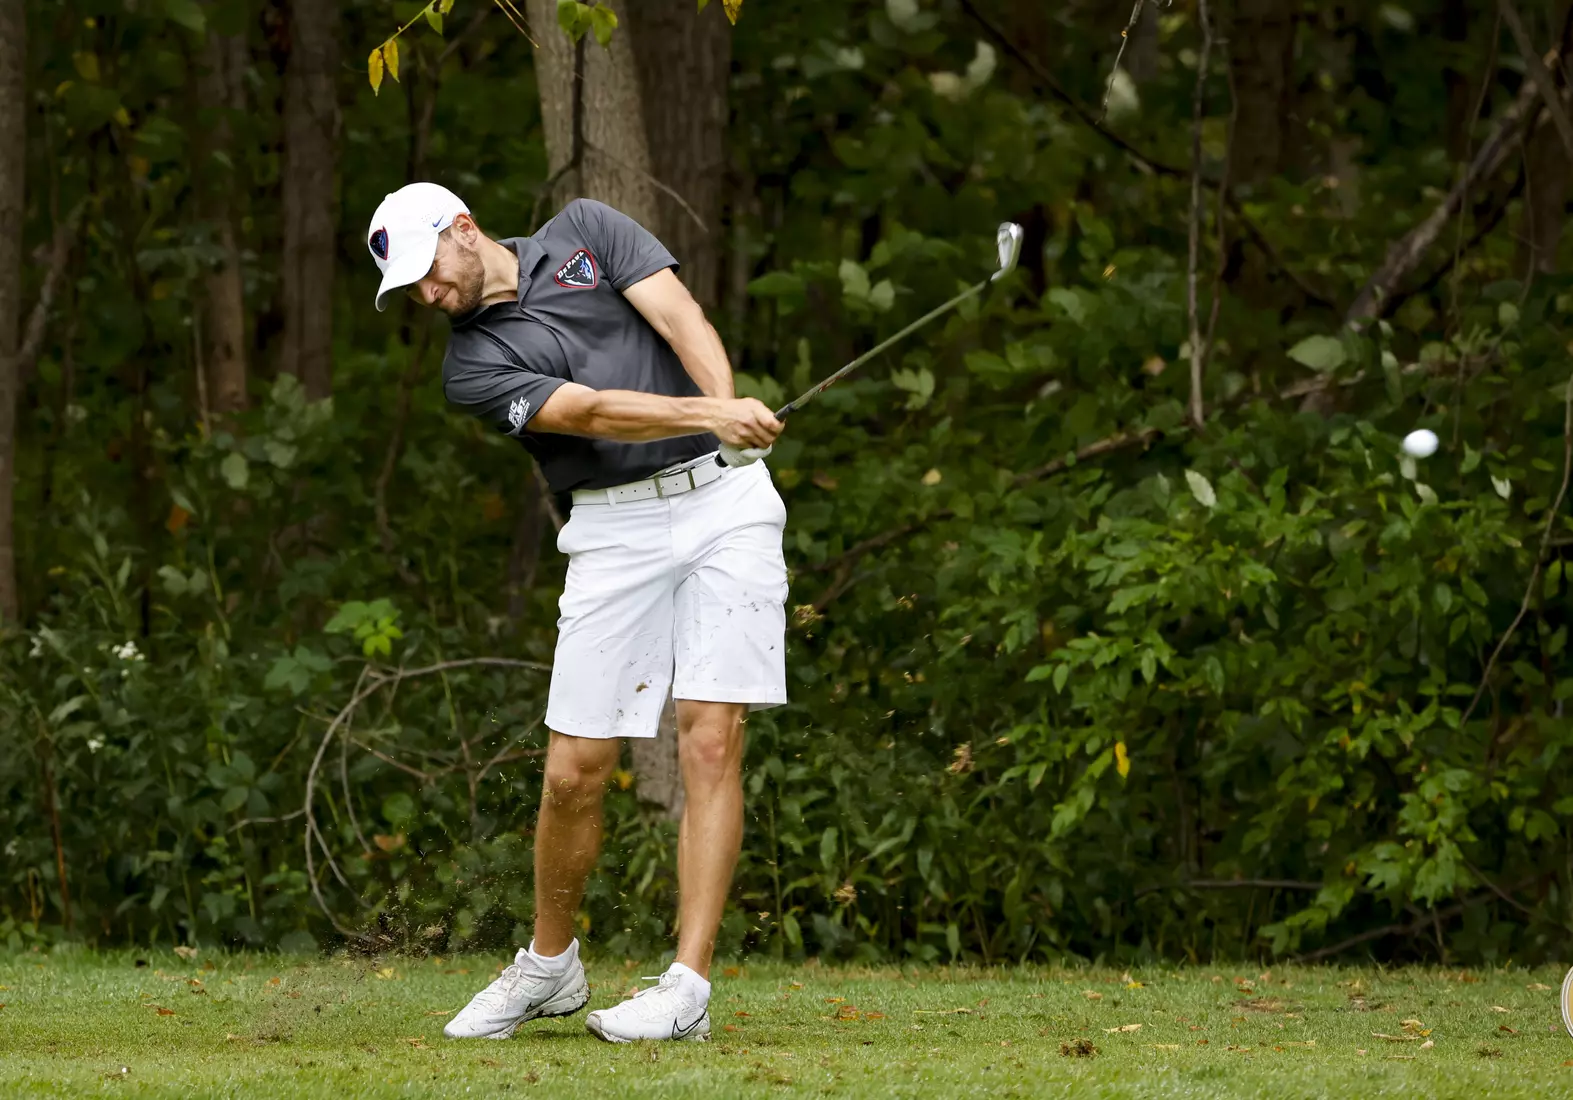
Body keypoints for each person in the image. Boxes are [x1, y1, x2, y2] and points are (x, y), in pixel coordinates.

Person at [365, 182, 788, 1042]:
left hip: (724, 505)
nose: (427, 295)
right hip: (610, 528)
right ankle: (551, 967)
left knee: (710, 736)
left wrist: (727, 422)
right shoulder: (470, 365)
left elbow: (679, 317)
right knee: (573, 771)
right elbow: (589, 412)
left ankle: (686, 987)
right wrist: (715, 413)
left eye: (428, 272)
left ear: (465, 230)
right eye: (410, 289)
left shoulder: (588, 229)